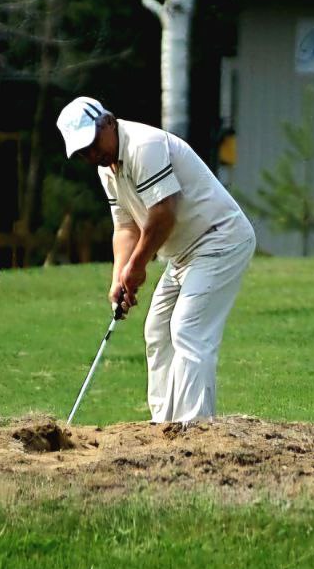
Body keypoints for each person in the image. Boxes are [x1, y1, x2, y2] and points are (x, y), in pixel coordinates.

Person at [56, 96, 256, 423]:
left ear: (108, 122)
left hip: (220, 238)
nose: (92, 155)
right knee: (157, 330)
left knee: (188, 329)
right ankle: (163, 428)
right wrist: (120, 276)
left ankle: (194, 428)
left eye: (92, 144)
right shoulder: (108, 169)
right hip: (183, 253)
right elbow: (125, 226)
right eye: (83, 153)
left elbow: (164, 213)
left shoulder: (143, 146)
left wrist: (137, 267)